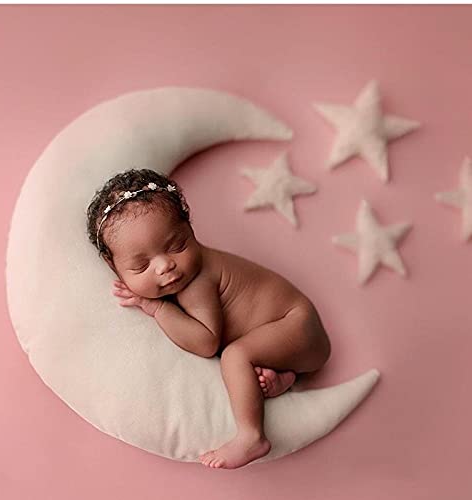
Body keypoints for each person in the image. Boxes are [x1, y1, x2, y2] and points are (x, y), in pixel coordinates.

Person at [86, 168, 332, 469]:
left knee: (235, 356)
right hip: (288, 339)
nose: (165, 266)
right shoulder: (175, 272)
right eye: (141, 266)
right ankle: (282, 378)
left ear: (190, 229)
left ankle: (252, 436)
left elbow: (205, 342)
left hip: (296, 324)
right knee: (247, 357)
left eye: (177, 246)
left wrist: (158, 309)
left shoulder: (197, 281)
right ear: (115, 269)